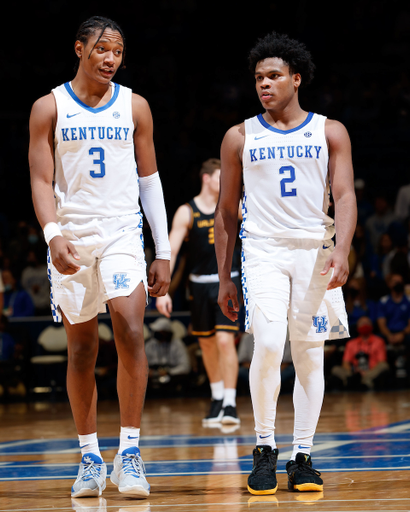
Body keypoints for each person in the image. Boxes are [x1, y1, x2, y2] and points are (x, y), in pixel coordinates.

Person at [28, 16, 171, 499]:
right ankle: (90, 457)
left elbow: (149, 182)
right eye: (103, 49)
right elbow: (40, 181)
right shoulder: (48, 108)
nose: (111, 58)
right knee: (82, 349)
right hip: (70, 236)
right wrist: (52, 235)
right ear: (79, 48)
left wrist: (164, 249)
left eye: (118, 51)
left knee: (130, 328)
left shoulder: (136, 106)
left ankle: (129, 453)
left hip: (121, 233)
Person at [214, 32, 356, 495]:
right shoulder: (239, 136)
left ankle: (302, 456)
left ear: (296, 79)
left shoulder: (329, 130)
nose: (264, 84)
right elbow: (225, 211)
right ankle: (263, 448)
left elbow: (346, 196)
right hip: (263, 251)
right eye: (258, 77)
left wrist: (343, 248)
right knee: (270, 345)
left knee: (310, 354)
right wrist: (224, 278)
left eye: (274, 75)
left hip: (314, 248)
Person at [156, 158, 241, 424]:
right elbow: (170, 251)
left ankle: (230, 402)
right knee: (206, 343)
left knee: (226, 341)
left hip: (228, 282)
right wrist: (163, 289)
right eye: (220, 177)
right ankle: (217, 398)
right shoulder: (187, 211)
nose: (226, 183)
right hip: (199, 286)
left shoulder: (233, 207)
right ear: (206, 178)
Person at [330, 316, 389, 390]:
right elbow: (346, 362)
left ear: (372, 326)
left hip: (371, 372)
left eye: (367, 323)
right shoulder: (351, 343)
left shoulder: (379, 341)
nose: (365, 325)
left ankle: (361, 381)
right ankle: (361, 381)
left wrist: (366, 373)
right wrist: (354, 372)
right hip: (354, 372)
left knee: (384, 366)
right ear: (357, 327)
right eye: (362, 323)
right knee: (335, 369)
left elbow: (381, 361)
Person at [377, 273, 410, 383]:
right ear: (389, 284)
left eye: (400, 281)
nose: (398, 284)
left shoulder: (408, 300)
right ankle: (383, 376)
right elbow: (381, 324)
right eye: (395, 281)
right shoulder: (383, 301)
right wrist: (389, 335)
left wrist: (402, 334)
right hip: (388, 332)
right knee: (378, 340)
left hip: (405, 332)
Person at [145, 316, 191, 395]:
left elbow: (185, 367)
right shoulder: (150, 344)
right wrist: (147, 372)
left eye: (160, 332)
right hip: (153, 374)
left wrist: (168, 372)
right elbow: (142, 365)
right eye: (156, 331)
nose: (156, 334)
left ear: (167, 333)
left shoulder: (177, 344)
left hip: (172, 375)